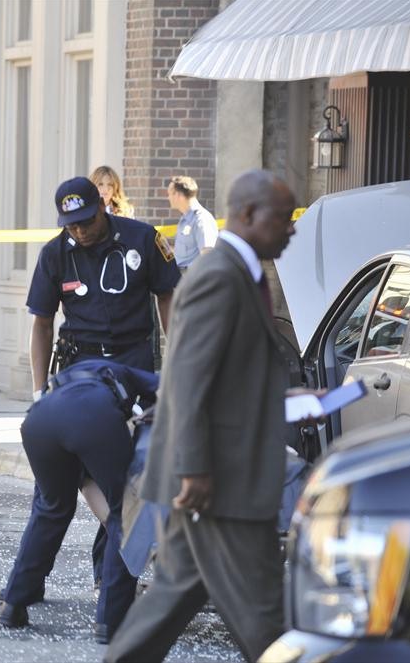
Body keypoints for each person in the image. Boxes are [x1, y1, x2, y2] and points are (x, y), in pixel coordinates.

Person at [104, 170, 299, 663]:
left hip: (213, 477)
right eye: (283, 217)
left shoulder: (243, 273)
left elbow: (228, 375)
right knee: (264, 617)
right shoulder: (219, 276)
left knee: (172, 598)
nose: (291, 228)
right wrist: (193, 468)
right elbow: (187, 379)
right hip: (217, 481)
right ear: (249, 215)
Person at [15, 176, 180, 640]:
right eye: (71, 224)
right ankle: (28, 586)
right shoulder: (56, 252)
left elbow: (168, 298)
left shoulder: (142, 239)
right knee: (58, 482)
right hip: (78, 367)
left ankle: (104, 581)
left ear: (103, 205)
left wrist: (178, 359)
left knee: (125, 479)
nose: (80, 231)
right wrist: (37, 389)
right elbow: (42, 323)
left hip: (132, 363)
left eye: (86, 221)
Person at [0, 358, 159, 642]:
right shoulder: (129, 373)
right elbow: (168, 388)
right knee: (127, 513)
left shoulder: (82, 373)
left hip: (38, 420)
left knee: (51, 508)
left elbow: (86, 479)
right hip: (90, 416)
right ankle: (110, 621)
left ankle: (14, 604)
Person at [167, 175, 218, 271]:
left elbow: (208, 254)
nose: (168, 198)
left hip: (194, 279)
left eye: (170, 194)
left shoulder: (202, 219)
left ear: (178, 195)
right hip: (183, 278)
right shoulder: (185, 220)